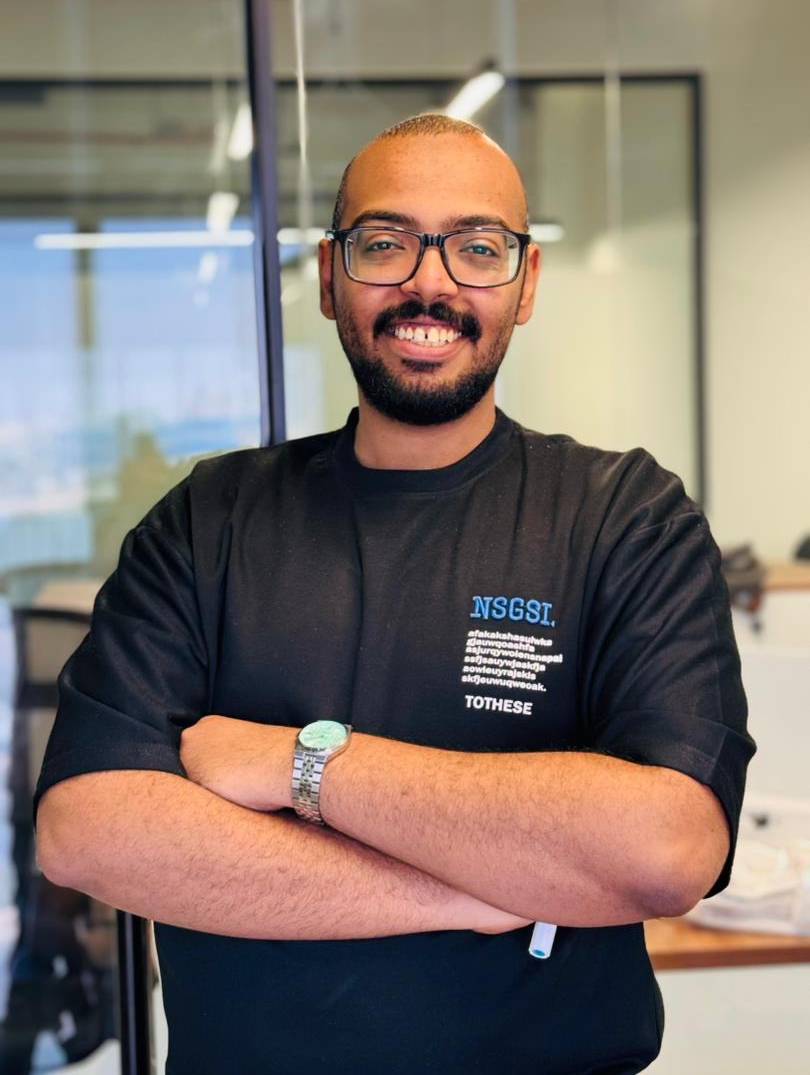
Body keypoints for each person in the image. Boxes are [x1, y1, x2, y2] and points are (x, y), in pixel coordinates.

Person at [35, 114, 755, 1074]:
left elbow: (666, 850)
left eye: (477, 248)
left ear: (526, 284)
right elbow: (89, 832)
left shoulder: (625, 517)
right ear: (330, 278)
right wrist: (479, 893)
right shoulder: (209, 521)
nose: (431, 283)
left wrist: (301, 763)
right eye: (385, 243)